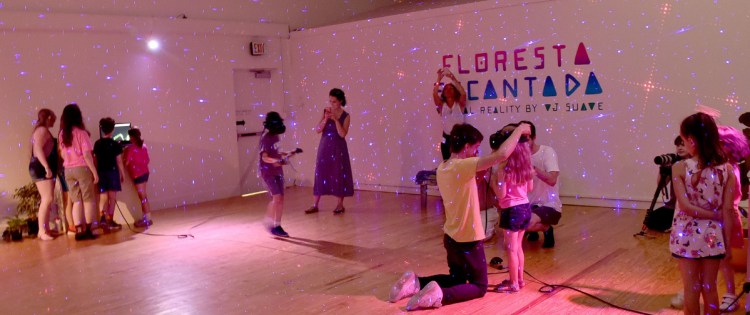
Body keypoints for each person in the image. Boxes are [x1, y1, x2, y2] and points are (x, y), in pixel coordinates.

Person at [389, 122, 531, 311]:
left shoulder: (443, 167)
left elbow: (467, 185)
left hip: (451, 237)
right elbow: (502, 155)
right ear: (466, 147)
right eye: (475, 148)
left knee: (457, 279)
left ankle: (416, 283)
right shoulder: (463, 166)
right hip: (469, 239)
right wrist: (521, 129)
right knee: (479, 286)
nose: (476, 153)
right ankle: (440, 295)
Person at [670, 112, 736, 315]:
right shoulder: (727, 170)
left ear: (690, 139)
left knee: (691, 288)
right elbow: (727, 210)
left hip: (685, 236)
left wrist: (712, 216)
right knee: (710, 287)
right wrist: (726, 241)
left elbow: (686, 207)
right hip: (713, 237)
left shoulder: (679, 167)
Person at [490, 124, 534, 293]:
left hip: (511, 211)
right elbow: (529, 188)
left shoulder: (503, 169)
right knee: (519, 248)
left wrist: (494, 181)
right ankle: (520, 280)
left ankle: (513, 282)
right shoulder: (526, 167)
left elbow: (501, 194)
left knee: (511, 249)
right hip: (525, 208)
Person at [305, 88, 353, 215]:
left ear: (341, 101)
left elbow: (342, 134)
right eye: (330, 101)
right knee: (320, 173)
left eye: (335, 102)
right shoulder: (326, 111)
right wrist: (326, 118)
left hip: (338, 148)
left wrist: (336, 120)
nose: (332, 104)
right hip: (325, 147)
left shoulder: (346, 116)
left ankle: (340, 204)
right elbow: (318, 129)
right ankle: (315, 204)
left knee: (338, 173)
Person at [58, 104, 99, 241]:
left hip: (68, 170)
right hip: (82, 168)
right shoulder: (82, 134)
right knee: (88, 199)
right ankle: (88, 230)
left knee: (76, 200)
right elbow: (87, 155)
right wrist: (94, 172)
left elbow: (63, 154)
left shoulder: (62, 134)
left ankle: (78, 230)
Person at [519, 120, 562, 248]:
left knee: (525, 223)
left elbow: (552, 179)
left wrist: (533, 168)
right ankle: (533, 229)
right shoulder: (517, 155)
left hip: (549, 205)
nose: (523, 144)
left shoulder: (547, 152)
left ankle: (546, 228)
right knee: (510, 223)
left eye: (527, 139)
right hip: (528, 204)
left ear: (534, 137)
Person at [259, 112, 293, 237]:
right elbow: (265, 158)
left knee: (280, 199)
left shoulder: (276, 137)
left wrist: (288, 153)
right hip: (268, 172)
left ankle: (277, 225)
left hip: (278, 171)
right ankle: (270, 222)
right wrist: (277, 161)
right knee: (277, 197)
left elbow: (277, 151)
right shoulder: (265, 139)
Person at [29, 108, 58, 241]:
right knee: (47, 199)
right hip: (40, 167)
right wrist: (46, 166)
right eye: (52, 117)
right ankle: (42, 230)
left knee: (48, 199)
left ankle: (44, 228)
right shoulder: (42, 131)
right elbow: (38, 149)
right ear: (48, 118)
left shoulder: (41, 130)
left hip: (41, 166)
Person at [94, 117, 125, 231]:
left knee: (103, 197)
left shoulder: (97, 143)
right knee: (112, 198)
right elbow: (119, 161)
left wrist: (96, 173)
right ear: (112, 129)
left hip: (101, 173)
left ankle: (102, 218)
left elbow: (95, 160)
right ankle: (110, 220)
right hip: (112, 173)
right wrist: (122, 173)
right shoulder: (115, 144)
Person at [432, 67, 467, 161]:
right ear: (443, 93)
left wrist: (453, 78)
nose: (448, 90)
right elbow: (435, 94)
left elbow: (463, 93)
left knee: (460, 162)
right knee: (447, 162)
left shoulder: (459, 104)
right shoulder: (441, 105)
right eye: (446, 89)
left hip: (459, 136)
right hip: (446, 137)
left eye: (451, 88)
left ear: (455, 91)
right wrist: (439, 79)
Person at [123, 128, 152, 228]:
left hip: (137, 175)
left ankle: (147, 219)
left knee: (142, 197)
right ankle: (147, 217)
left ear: (132, 137)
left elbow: (126, 163)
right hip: (145, 173)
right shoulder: (144, 146)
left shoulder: (130, 149)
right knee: (144, 196)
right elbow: (147, 160)